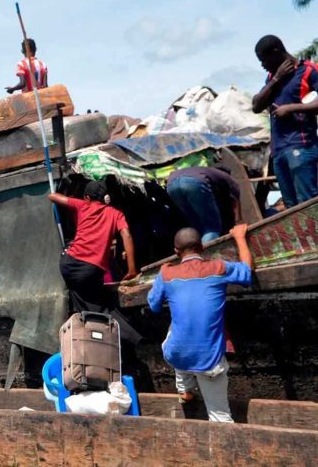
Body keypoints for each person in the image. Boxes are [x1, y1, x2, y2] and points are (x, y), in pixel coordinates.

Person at [147, 225, 254, 422]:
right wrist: (239, 237)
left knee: (176, 332)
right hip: (209, 360)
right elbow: (247, 272)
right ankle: (187, 389)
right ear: (202, 248)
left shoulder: (166, 274)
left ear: (176, 252)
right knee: (220, 417)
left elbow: (153, 305)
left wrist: (161, 275)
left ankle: (185, 389)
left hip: (177, 354)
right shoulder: (219, 267)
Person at [49, 181, 137, 315]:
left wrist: (74, 199)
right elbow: (127, 235)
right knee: (100, 307)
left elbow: (52, 196)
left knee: (84, 301)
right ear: (106, 198)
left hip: (68, 265)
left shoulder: (82, 205)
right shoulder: (116, 214)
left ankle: (89, 321)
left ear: (88, 198)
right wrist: (132, 270)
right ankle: (116, 326)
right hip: (90, 269)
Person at [252, 35, 318, 208]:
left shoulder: (309, 70)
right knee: (291, 208)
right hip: (278, 152)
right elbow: (256, 106)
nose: (262, 65)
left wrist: (291, 108)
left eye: (263, 60)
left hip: (301, 147)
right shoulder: (272, 78)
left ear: (276, 52)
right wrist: (276, 79)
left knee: (308, 204)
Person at [166, 166, 242, 244]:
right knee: (211, 228)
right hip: (194, 182)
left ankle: (195, 248)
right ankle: (208, 251)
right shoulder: (227, 178)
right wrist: (238, 223)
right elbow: (235, 201)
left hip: (171, 184)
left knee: (197, 228)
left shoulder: (205, 171)